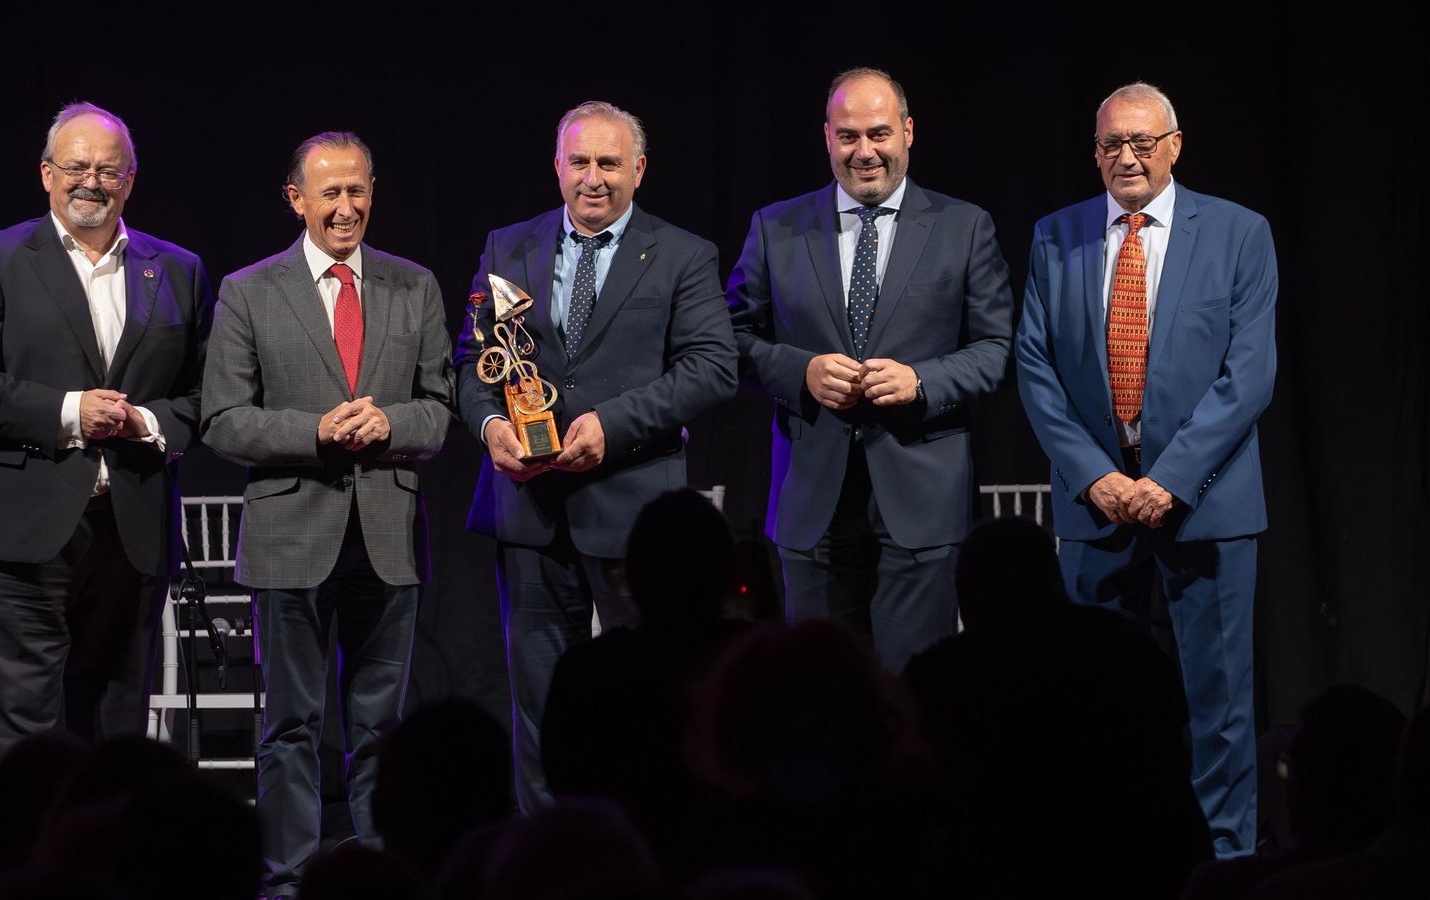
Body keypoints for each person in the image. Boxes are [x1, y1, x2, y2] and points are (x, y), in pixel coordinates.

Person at [0, 101, 212, 837]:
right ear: (46, 175)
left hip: (128, 534)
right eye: (77, 167)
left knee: (118, 722)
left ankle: (105, 870)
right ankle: (15, 872)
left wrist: (147, 423)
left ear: (131, 179)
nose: (92, 181)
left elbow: (206, 395)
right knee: (19, 729)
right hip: (20, 531)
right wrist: (67, 410)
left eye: (108, 169)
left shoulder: (177, 269)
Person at [1015, 81, 1278, 857]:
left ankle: (1225, 855)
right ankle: (1109, 850)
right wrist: (1095, 477)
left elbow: (1250, 373)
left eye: (1141, 143)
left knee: (1219, 701)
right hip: (1097, 504)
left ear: (1175, 144)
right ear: (1093, 152)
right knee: (1095, 698)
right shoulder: (1054, 236)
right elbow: (1035, 367)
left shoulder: (1239, 233)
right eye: (1110, 145)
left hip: (1207, 502)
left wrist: (1170, 479)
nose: (1126, 158)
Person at [454, 100, 737, 812]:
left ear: (637, 170)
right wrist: (491, 428)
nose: (593, 178)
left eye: (609, 163)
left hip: (634, 512)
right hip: (529, 507)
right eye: (579, 162)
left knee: (650, 701)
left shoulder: (683, 254)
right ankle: (547, 859)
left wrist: (609, 426)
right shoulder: (504, 247)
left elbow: (712, 367)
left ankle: (652, 846)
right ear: (557, 166)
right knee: (539, 707)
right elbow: (471, 363)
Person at [201, 130, 453, 896]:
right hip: (290, 536)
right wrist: (314, 432)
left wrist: (393, 425)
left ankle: (384, 878)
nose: (345, 208)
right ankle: (285, 883)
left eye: (357, 191)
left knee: (382, 730)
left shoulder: (415, 286)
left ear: (373, 191)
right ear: (296, 199)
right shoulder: (248, 290)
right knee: (290, 729)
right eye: (329, 193)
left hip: (386, 535)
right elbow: (222, 420)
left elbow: (440, 409)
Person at [727, 67, 1013, 672]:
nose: (866, 152)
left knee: (915, 696)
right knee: (822, 704)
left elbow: (995, 350)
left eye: (880, 133)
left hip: (922, 498)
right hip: (812, 501)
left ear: (908, 132)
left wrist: (922, 381)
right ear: (826, 138)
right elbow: (729, 339)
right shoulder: (775, 228)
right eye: (849, 136)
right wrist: (799, 371)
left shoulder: (965, 227)